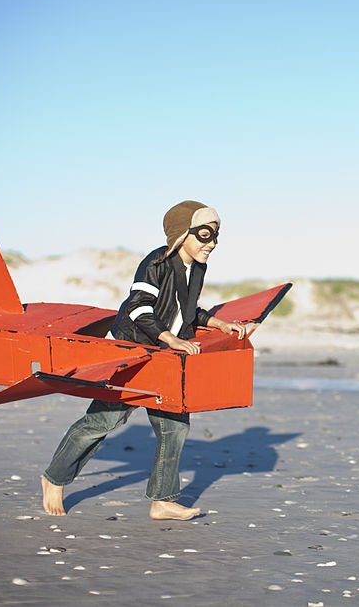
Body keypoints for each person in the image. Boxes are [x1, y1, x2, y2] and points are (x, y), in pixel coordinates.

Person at [40, 200, 250, 520]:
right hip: (132, 352)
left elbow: (187, 311)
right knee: (103, 420)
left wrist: (219, 324)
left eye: (216, 236)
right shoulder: (157, 261)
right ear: (182, 234)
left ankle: (163, 500)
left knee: (174, 426)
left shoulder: (198, 267)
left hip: (165, 357)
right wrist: (172, 338)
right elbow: (139, 307)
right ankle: (54, 478)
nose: (212, 244)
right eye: (205, 235)